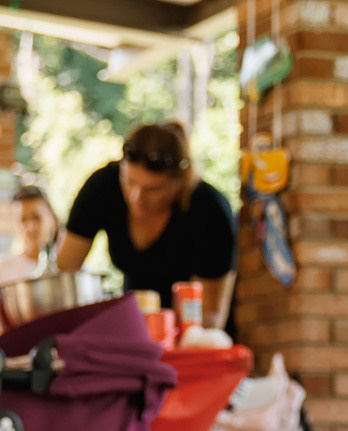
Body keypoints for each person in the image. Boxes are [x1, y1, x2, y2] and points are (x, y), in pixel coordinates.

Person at [53, 121, 238, 327]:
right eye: (129, 181)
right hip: (133, 325)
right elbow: (63, 274)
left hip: (193, 332)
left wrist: (164, 333)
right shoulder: (102, 187)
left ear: (180, 181)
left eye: (153, 189)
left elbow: (212, 316)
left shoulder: (210, 210)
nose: (136, 197)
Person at [0, 183, 62, 329]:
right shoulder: (0, 268)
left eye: (36, 218)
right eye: (23, 220)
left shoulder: (69, 268)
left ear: (53, 220)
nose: (30, 227)